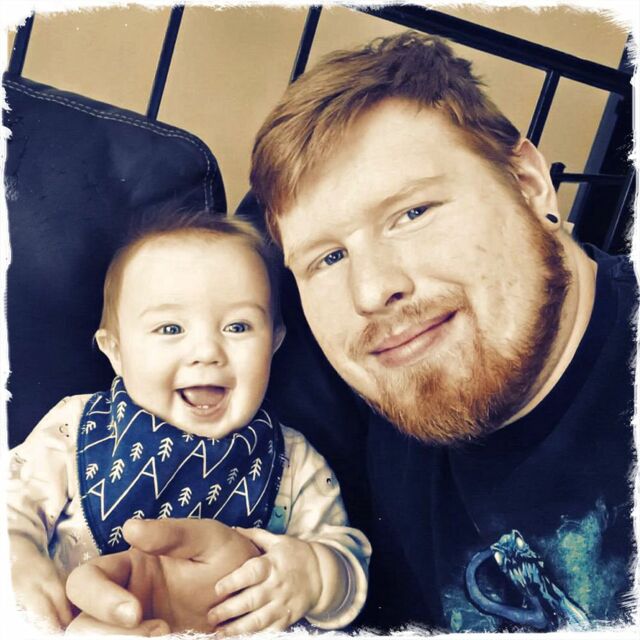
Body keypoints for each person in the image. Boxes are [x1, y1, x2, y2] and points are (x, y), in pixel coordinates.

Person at [66, 32, 636, 633]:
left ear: (528, 183)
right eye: (328, 258)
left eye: (411, 214)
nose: (371, 291)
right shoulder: (327, 394)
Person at [7, 211, 370, 635]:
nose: (207, 351)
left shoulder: (291, 461)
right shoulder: (75, 428)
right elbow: (11, 504)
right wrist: (18, 559)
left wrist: (315, 576)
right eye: (170, 328)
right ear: (116, 351)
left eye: (238, 326)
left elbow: (345, 554)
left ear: (274, 342)